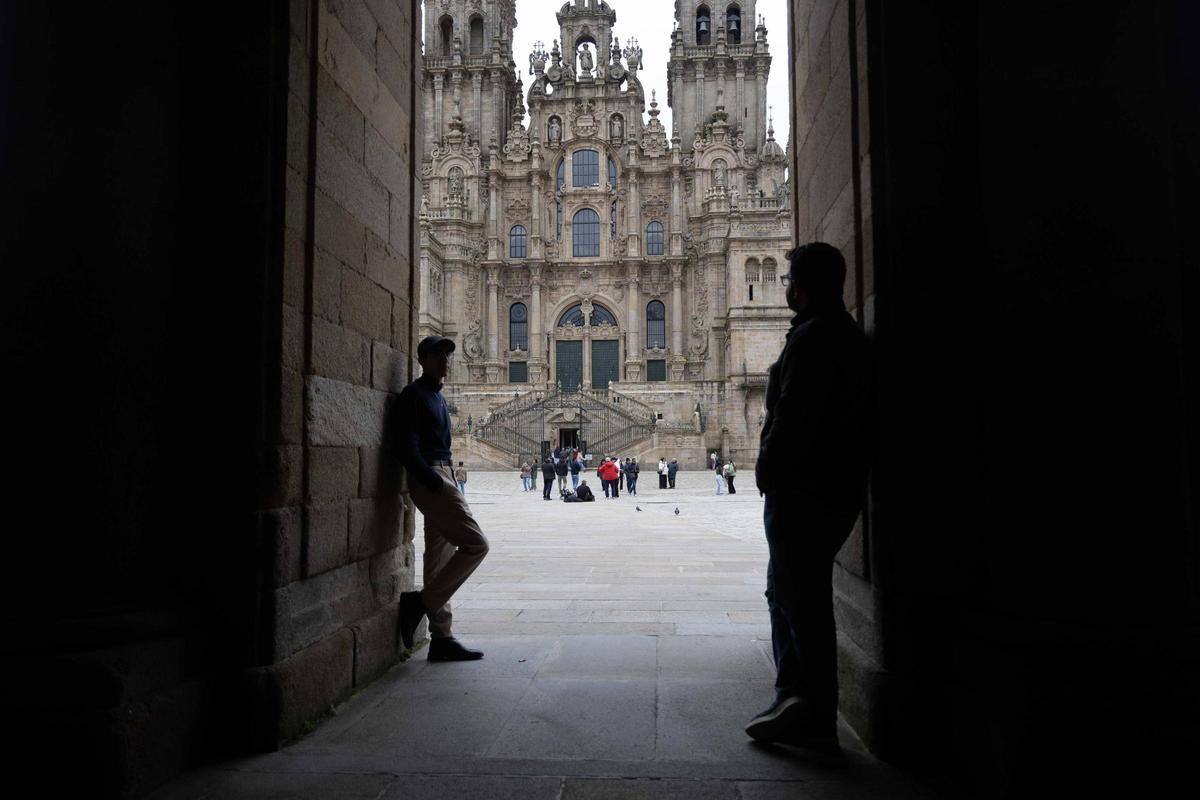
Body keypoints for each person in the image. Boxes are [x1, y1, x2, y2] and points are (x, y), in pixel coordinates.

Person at [745, 242, 871, 750]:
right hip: (818, 488)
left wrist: (768, 468)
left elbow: (794, 415)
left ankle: (812, 711)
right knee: (789, 594)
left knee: (801, 599)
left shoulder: (816, 337)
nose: (786, 286)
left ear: (807, 284)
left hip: (803, 492)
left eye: (789, 277)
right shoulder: (830, 331)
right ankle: (794, 699)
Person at [395, 336, 488, 663]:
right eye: (439, 356)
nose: (446, 361)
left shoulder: (437, 396)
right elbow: (407, 447)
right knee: (477, 545)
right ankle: (419, 603)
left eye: (447, 355)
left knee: (438, 559)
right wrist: (434, 481)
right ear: (423, 360)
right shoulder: (413, 396)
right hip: (434, 478)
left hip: (443, 473)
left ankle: (442, 638)